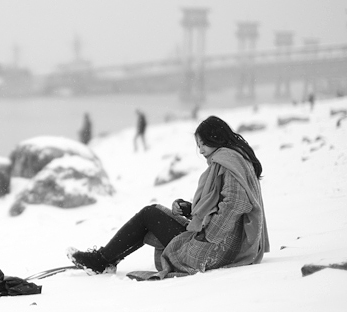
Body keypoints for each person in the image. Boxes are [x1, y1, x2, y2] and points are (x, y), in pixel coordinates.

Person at [67, 115, 269, 279]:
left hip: (217, 249)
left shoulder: (227, 160)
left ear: (214, 138)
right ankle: (105, 260)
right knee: (152, 215)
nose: (200, 151)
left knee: (150, 215)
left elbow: (236, 203)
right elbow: (226, 202)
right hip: (226, 244)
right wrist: (191, 209)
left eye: (202, 144)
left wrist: (208, 237)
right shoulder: (236, 159)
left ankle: (102, 260)